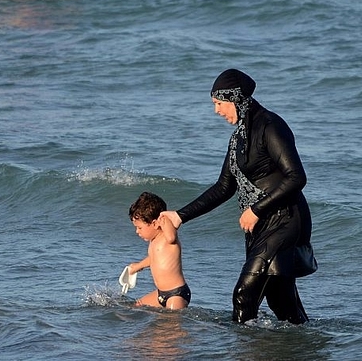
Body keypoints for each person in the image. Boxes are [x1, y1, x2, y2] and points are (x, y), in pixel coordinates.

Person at [162, 69, 317, 325]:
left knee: (244, 295)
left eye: (219, 104)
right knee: (281, 301)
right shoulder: (238, 138)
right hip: (261, 226)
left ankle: (241, 349)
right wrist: (180, 215)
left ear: (235, 99)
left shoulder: (270, 125)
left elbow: (296, 177)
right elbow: (224, 187)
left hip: (284, 220)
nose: (217, 111)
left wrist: (256, 209)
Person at [126, 192, 191, 310]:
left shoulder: (167, 236)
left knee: (171, 323)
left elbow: (171, 237)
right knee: (136, 306)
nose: (137, 231)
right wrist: (137, 266)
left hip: (176, 294)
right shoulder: (154, 241)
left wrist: (165, 219)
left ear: (155, 223)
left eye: (140, 227)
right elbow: (153, 259)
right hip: (160, 294)